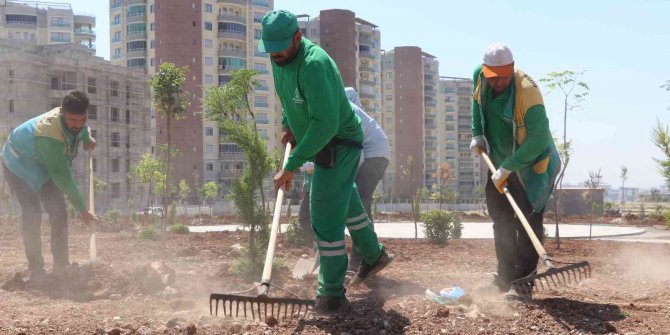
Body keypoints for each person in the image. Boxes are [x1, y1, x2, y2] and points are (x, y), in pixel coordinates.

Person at [261, 9, 393, 313]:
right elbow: (288, 96)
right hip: (322, 142)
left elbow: (324, 125)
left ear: (298, 37)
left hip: (339, 143)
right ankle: (375, 255)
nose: (276, 54)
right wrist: (287, 125)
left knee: (323, 215)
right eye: (270, 48)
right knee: (347, 202)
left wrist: (291, 165)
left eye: (281, 46)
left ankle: (332, 293)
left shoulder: (315, 65)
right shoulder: (278, 58)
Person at [470, 43, 560, 300]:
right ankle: (504, 278)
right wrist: (478, 133)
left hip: (531, 167)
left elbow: (539, 139)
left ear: (512, 68)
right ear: (486, 71)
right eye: (493, 77)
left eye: (504, 76)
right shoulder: (480, 76)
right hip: (498, 166)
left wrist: (508, 167)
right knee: (501, 222)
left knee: (528, 221)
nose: (499, 82)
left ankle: (524, 282)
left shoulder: (527, 92)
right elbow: (477, 103)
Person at [2, 90, 98, 280]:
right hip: (18, 163)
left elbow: (83, 130)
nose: (78, 125)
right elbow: (63, 178)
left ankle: (61, 265)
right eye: (73, 121)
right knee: (32, 212)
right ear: (62, 112)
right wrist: (82, 210)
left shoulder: (77, 124)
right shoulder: (49, 134)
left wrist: (87, 138)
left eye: (82, 120)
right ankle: (36, 270)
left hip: (42, 163)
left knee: (59, 211)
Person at [344, 87, 390, 270]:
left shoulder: (344, 109)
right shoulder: (341, 106)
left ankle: (363, 257)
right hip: (374, 153)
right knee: (357, 202)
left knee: (359, 203)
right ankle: (363, 255)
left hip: (373, 155)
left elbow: (357, 152)